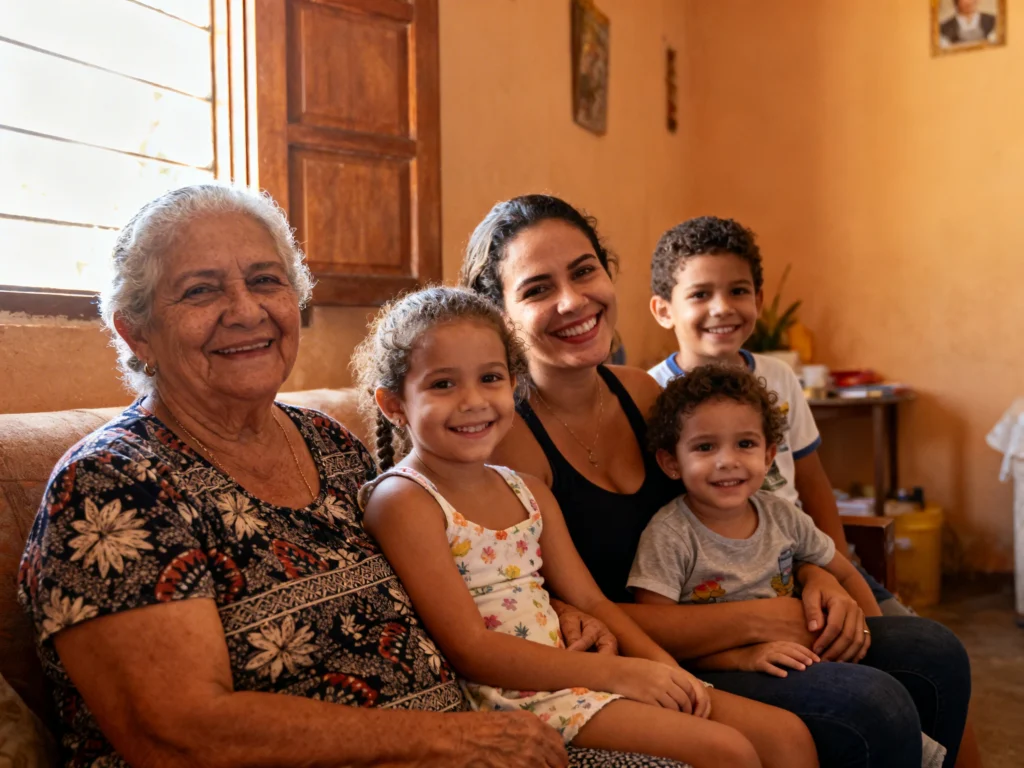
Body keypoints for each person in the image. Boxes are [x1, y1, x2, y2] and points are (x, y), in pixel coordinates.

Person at [16, 183, 680, 768]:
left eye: (266, 280)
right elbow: (179, 733)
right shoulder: (114, 484)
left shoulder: (325, 440)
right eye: (200, 290)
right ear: (135, 332)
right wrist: (455, 742)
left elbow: (439, 570)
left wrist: (553, 607)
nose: (246, 310)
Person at [460, 194, 974, 768]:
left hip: (739, 608)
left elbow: (735, 510)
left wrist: (813, 571)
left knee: (936, 652)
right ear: (500, 314)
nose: (573, 300)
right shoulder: (501, 439)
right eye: (536, 289)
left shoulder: (646, 396)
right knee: (870, 705)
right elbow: (570, 609)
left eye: (585, 272)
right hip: (659, 648)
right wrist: (754, 622)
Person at [352, 286, 818, 768]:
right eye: (443, 385)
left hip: (577, 677)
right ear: (393, 403)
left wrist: (661, 667)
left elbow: (591, 601)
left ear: (513, 384)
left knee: (786, 736)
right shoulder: (404, 499)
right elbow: (473, 649)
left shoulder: (527, 490)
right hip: (512, 697)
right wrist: (619, 675)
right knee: (729, 751)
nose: (473, 401)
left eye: (490, 377)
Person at [629, 365, 954, 767]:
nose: (728, 461)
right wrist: (742, 658)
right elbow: (656, 637)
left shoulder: (782, 515)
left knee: (932, 645)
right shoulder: (669, 536)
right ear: (670, 462)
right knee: (878, 703)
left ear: (768, 455)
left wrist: (870, 631)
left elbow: (845, 571)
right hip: (727, 668)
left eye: (745, 444)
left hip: (804, 647)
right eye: (705, 447)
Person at [645, 215, 907, 613]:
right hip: (726, 574)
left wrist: (834, 566)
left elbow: (812, 480)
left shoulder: (778, 376)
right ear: (664, 310)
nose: (722, 308)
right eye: (700, 294)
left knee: (915, 640)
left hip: (802, 550)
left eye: (738, 291)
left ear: (759, 300)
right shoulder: (650, 392)